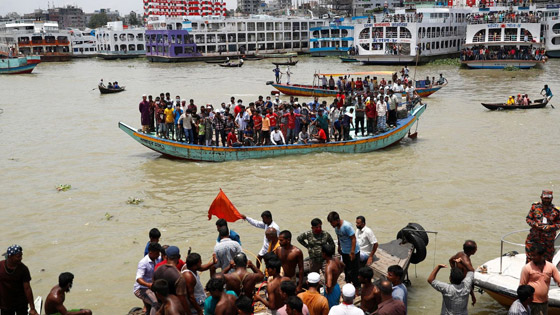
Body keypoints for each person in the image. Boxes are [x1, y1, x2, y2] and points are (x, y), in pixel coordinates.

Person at [520, 244, 560, 315]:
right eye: (531, 255)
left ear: (542, 256)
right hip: (531, 303)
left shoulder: (551, 267)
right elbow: (522, 287)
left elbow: (559, 280)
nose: (532, 257)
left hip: (544, 303)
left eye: (535, 255)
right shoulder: (527, 268)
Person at [0, 245, 39, 315]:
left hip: (21, 303)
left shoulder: (23, 269)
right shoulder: (0, 266)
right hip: (5, 304)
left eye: (21, 256)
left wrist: (32, 308)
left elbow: (27, 289)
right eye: (18, 256)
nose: (21, 258)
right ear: (10, 256)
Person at [327, 211, 360, 289]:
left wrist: (352, 252)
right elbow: (339, 236)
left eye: (332, 223)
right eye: (330, 223)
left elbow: (353, 239)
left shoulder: (346, 226)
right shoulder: (336, 228)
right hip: (344, 251)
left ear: (337, 220)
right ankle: (348, 285)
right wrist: (339, 246)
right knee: (346, 269)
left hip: (353, 251)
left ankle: (357, 288)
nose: (332, 225)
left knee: (354, 271)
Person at [525, 190, 560, 263]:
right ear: (541, 197)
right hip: (534, 239)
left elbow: (559, 224)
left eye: (548, 198)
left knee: (547, 262)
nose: (546, 200)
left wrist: (550, 227)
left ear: (552, 198)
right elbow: (528, 219)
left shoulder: (556, 211)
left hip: (548, 241)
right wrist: (535, 224)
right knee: (530, 260)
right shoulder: (535, 207)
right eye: (545, 198)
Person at [153, 246, 189, 312]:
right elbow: (182, 298)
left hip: (162, 305)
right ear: (179, 257)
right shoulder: (179, 277)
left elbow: (154, 288)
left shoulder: (157, 269)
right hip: (175, 308)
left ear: (166, 257)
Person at [134, 242, 162, 315]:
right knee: (155, 303)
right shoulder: (143, 262)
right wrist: (148, 285)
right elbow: (138, 278)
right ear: (150, 252)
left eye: (159, 253)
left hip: (152, 286)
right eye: (157, 253)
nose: (158, 255)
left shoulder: (157, 258)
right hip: (141, 288)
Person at [449, 240, 477, 306]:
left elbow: (451, 260)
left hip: (455, 282)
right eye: (476, 248)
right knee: (461, 305)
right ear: (472, 251)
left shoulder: (460, 254)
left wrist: (454, 270)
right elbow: (471, 272)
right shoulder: (466, 261)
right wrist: (473, 296)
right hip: (462, 287)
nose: (476, 249)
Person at [322, 244, 345, 308]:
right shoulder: (336, 259)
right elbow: (343, 266)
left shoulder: (328, 267)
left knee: (331, 309)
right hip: (336, 286)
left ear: (324, 254)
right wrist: (337, 274)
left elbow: (329, 285)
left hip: (331, 291)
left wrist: (328, 289)